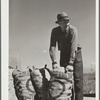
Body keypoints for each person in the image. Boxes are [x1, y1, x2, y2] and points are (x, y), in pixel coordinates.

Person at [49, 12, 83, 100]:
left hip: (75, 54)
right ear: (59, 23)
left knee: (78, 80)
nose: (67, 23)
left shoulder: (73, 30)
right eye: (64, 22)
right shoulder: (55, 31)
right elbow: (52, 47)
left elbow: (73, 48)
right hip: (63, 54)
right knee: (65, 79)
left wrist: (71, 63)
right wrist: (54, 62)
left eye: (68, 21)